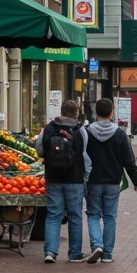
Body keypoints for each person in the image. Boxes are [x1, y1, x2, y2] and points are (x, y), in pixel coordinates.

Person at [84, 98, 137, 264]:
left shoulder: (87, 132)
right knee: (110, 217)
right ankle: (108, 254)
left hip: (93, 180)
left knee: (93, 214)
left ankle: (97, 244)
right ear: (111, 113)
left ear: (97, 113)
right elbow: (128, 160)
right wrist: (135, 181)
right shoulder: (120, 134)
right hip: (112, 182)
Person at [39, 98, 91, 263]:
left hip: (53, 178)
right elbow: (86, 156)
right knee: (75, 216)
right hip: (74, 179)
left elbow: (39, 150)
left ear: (61, 112)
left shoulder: (48, 129)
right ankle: (74, 254)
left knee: (54, 214)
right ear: (76, 113)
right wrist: (86, 176)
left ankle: (50, 252)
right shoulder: (80, 130)